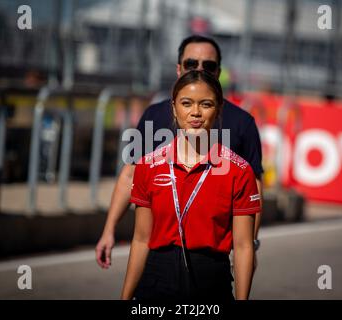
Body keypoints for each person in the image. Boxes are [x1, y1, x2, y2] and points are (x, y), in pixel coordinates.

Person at [96, 35, 263, 270]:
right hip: (158, 250)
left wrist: (249, 243)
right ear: (178, 69)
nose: (200, 69)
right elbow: (129, 175)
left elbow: (254, 186)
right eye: (191, 64)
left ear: (219, 71)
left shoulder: (242, 123)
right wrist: (109, 230)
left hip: (211, 255)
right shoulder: (154, 115)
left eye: (209, 65)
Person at [121, 70, 260, 301]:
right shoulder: (148, 165)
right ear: (174, 108)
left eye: (206, 104)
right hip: (156, 279)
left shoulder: (240, 170)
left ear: (218, 109)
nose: (195, 112)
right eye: (186, 103)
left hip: (211, 279)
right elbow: (141, 239)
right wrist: (125, 297)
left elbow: (244, 246)